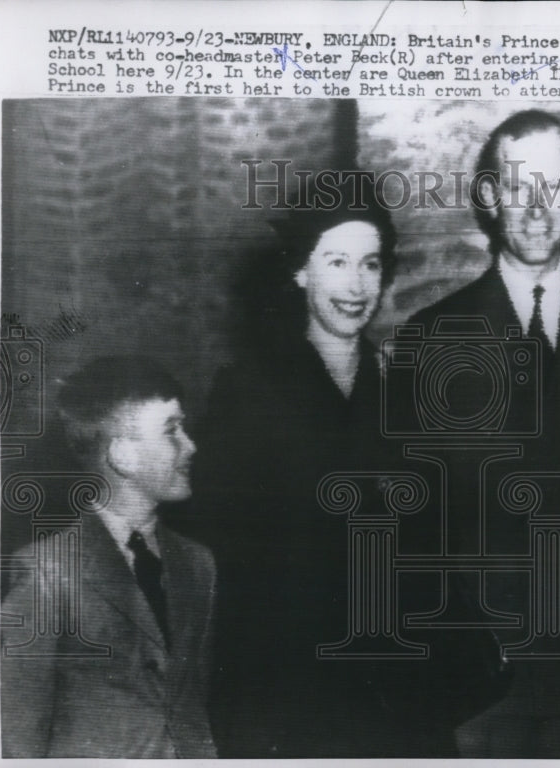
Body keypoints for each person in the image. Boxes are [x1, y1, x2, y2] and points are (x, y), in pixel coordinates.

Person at [192, 172, 496, 757]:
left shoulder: (407, 393)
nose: (357, 285)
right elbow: (229, 564)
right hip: (295, 692)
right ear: (300, 272)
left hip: (402, 692)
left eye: (371, 264)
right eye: (336, 262)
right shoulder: (251, 393)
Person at [407, 109, 560, 758]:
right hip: (479, 666)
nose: (537, 210)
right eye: (517, 187)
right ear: (489, 198)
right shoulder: (431, 337)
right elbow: (420, 518)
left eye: (554, 186)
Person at [0, 356, 217, 758]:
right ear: (123, 456)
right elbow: (17, 739)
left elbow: (190, 704)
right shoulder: (47, 572)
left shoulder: (198, 564)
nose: (191, 445)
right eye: (172, 431)